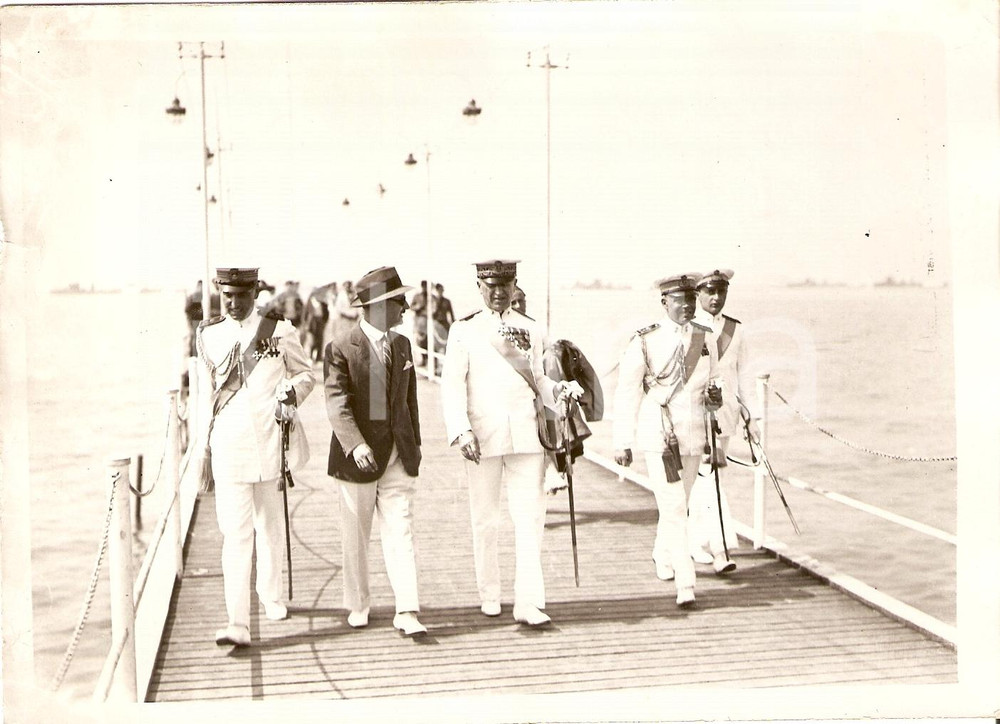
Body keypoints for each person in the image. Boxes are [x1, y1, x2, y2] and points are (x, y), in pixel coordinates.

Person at [440, 259, 583, 626]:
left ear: (515, 284)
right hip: (482, 437)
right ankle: (489, 593)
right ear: (479, 285)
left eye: (505, 284)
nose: (498, 292)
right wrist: (460, 430)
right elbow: (452, 384)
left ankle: (528, 602)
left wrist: (562, 391)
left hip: (526, 435)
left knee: (530, 518)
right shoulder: (463, 330)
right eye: (491, 285)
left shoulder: (532, 329)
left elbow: (538, 379)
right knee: (485, 520)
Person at [194, 267, 315, 647]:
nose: (232, 303)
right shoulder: (208, 335)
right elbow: (203, 401)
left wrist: (292, 394)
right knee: (235, 536)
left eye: (240, 296)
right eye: (226, 296)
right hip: (229, 449)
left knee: (271, 529)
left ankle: (272, 594)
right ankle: (237, 622)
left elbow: (305, 374)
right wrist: (203, 450)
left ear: (255, 293)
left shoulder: (279, 330)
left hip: (269, 445)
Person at [324, 266, 426, 636]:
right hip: (358, 459)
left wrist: (414, 444)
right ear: (379, 307)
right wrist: (355, 444)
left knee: (401, 529)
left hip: (398, 454)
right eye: (400, 301)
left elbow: (409, 400)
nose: (406, 307)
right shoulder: (340, 347)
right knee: (356, 535)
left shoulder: (402, 345)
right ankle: (358, 603)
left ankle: (407, 610)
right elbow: (336, 402)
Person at [611, 273, 722, 608]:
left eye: (691, 299)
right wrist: (622, 440)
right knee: (674, 508)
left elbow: (713, 382)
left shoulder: (706, 337)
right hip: (659, 434)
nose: (687, 305)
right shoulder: (645, 340)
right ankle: (686, 585)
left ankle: (662, 553)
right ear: (664, 302)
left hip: (692, 434)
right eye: (679, 300)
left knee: (678, 504)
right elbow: (627, 392)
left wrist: (716, 401)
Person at [688, 269, 761, 573]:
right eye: (710, 292)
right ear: (698, 294)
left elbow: (744, 375)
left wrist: (751, 417)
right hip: (693, 415)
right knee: (705, 477)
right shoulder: (688, 328)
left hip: (726, 414)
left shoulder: (736, 330)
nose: (716, 298)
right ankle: (719, 549)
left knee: (710, 477)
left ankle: (697, 542)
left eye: (722, 292)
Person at [303, 282, 333, 363]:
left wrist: (324, 321)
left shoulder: (323, 302)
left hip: (320, 321)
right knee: (312, 339)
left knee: (320, 339)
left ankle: (318, 357)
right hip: (312, 322)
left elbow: (326, 313)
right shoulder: (310, 301)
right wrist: (306, 323)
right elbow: (306, 313)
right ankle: (311, 356)